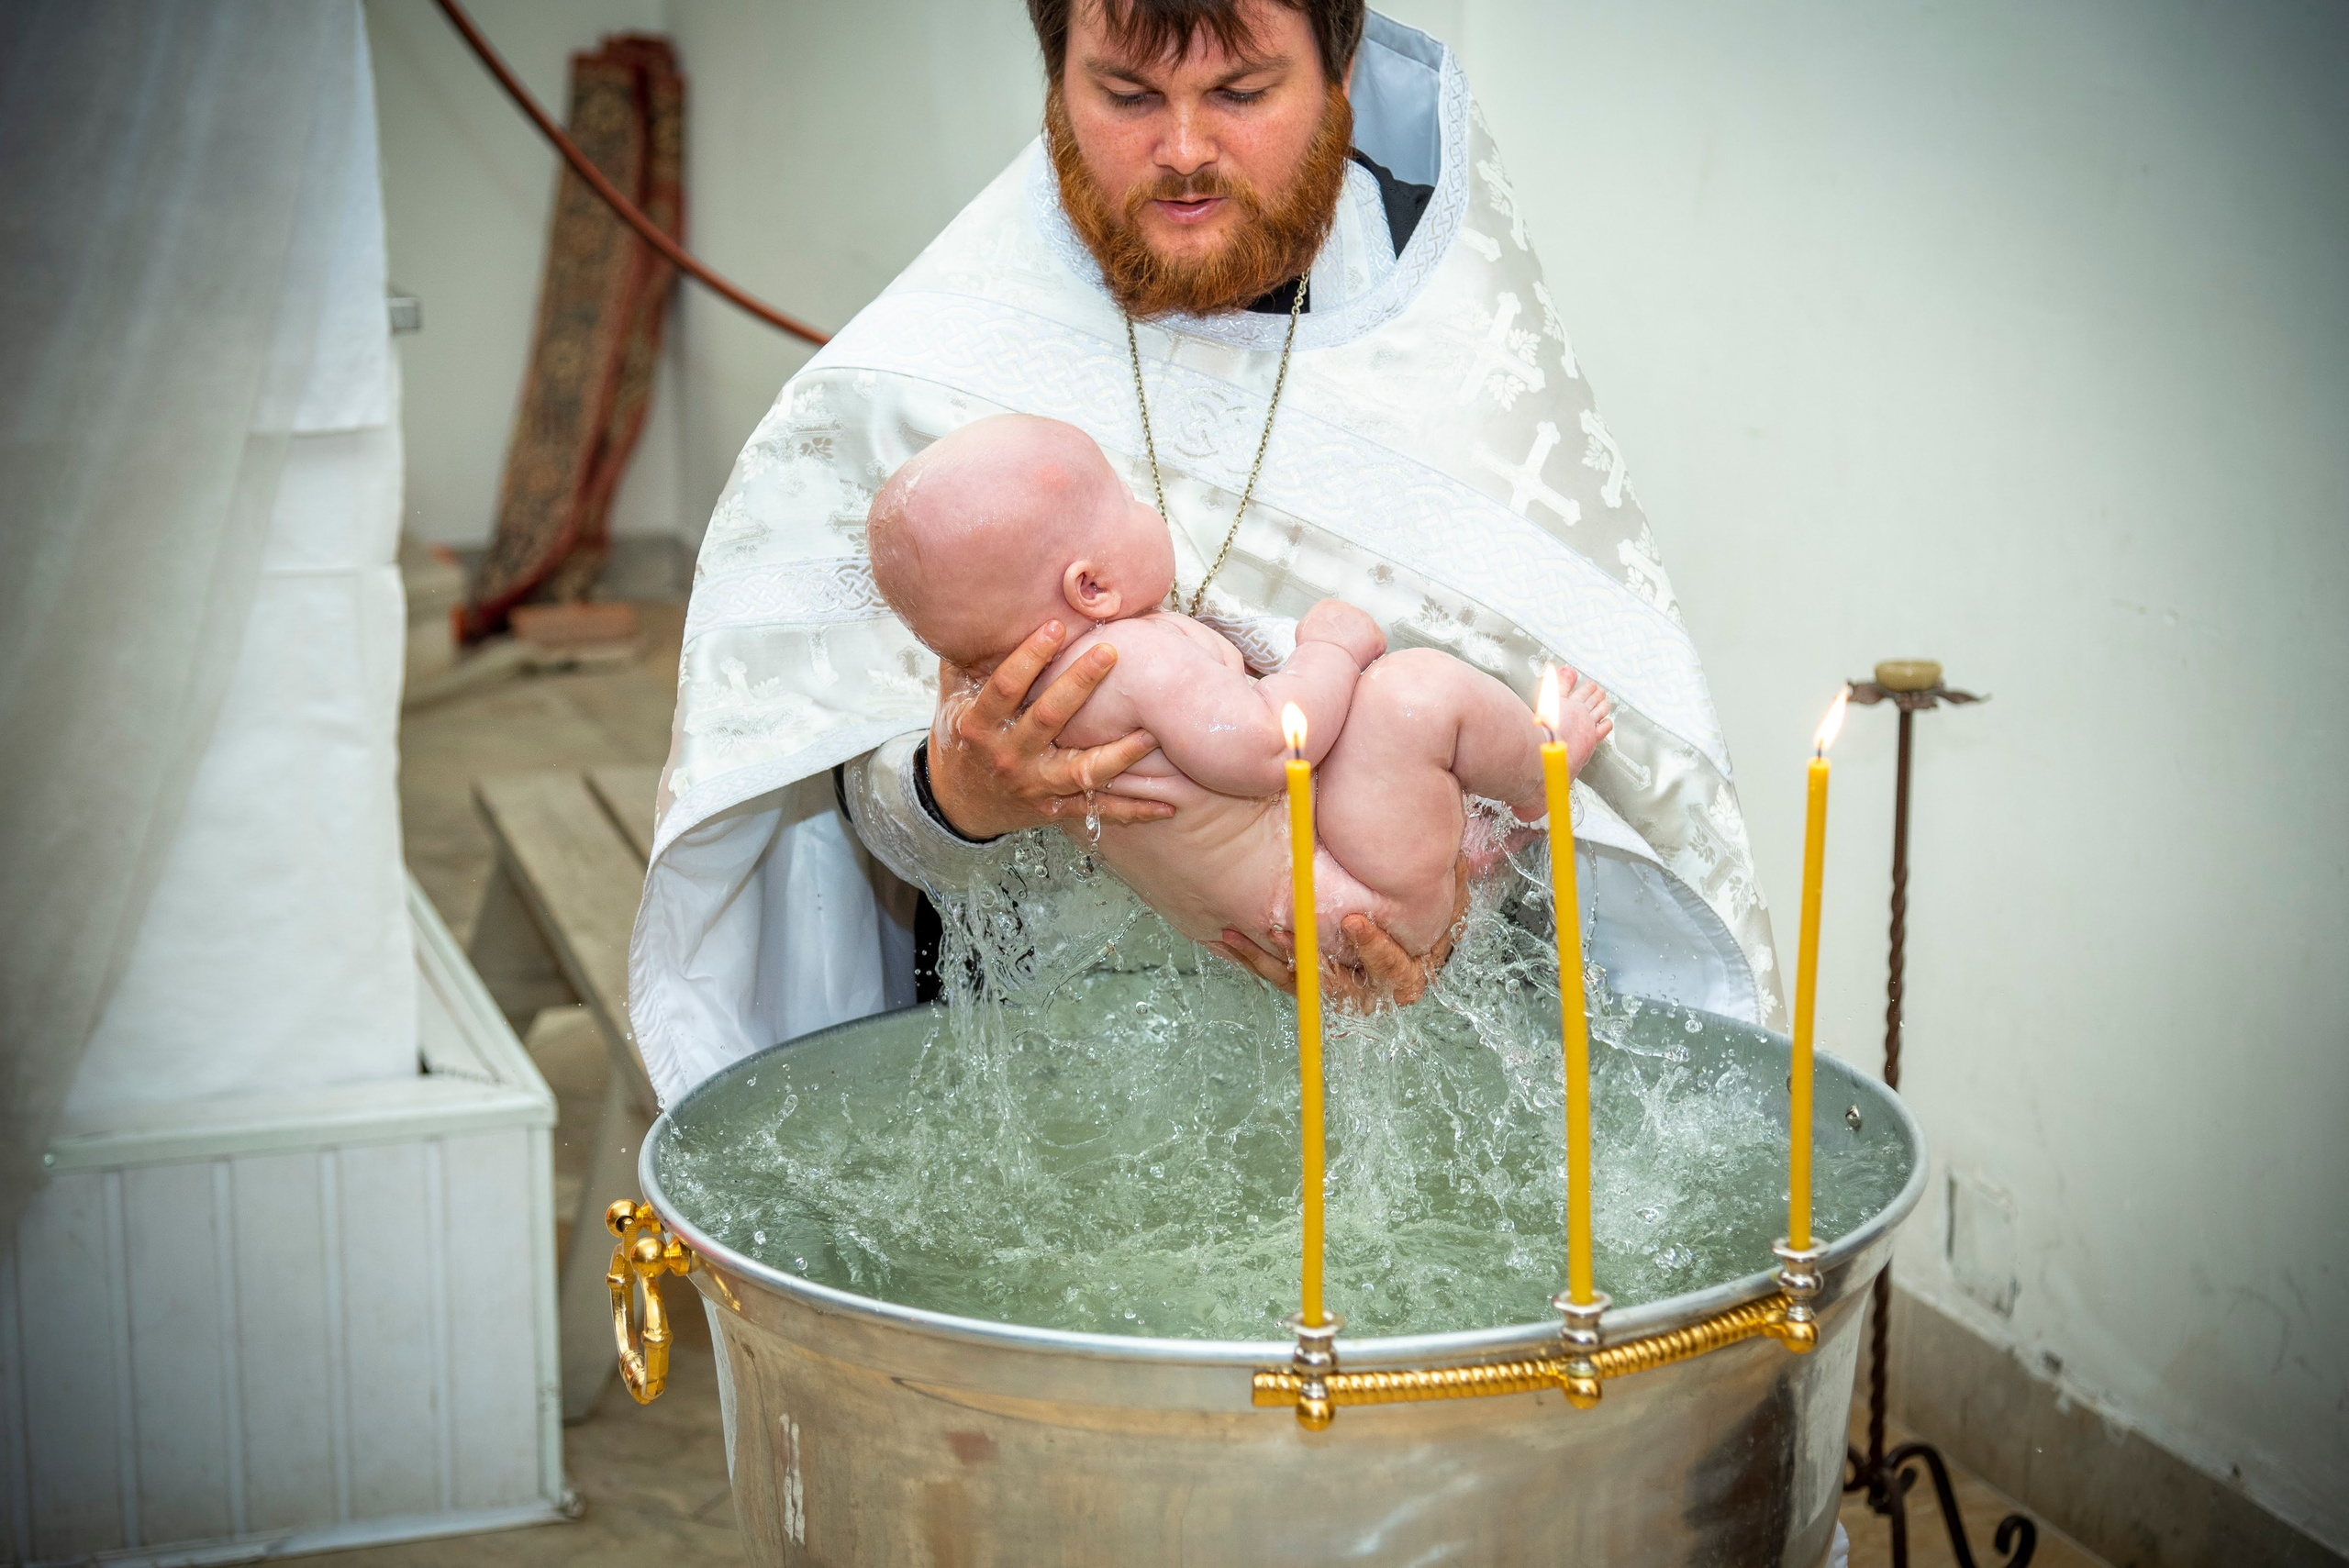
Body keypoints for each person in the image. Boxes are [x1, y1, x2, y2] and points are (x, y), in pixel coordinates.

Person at [630, 0, 1779, 1106]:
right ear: (1057, 80)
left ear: (1339, 75)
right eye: (1128, 94)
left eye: (1241, 91)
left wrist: (1441, 910)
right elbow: (815, 799)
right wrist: (956, 793)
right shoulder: (928, 372)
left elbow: (1598, 797)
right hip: (1050, 1075)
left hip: (1413, 1070)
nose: (1182, 149)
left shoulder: (1456, 356)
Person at [866, 412, 1613, 965]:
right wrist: (1328, 648)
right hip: (1356, 901)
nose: (1151, 506)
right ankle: (1537, 774)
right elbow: (1268, 747)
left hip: (1296, 927)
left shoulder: (1007, 708)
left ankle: (1468, 845)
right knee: (1411, 694)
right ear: (1091, 587)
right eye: (1128, 500)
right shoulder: (1130, 659)